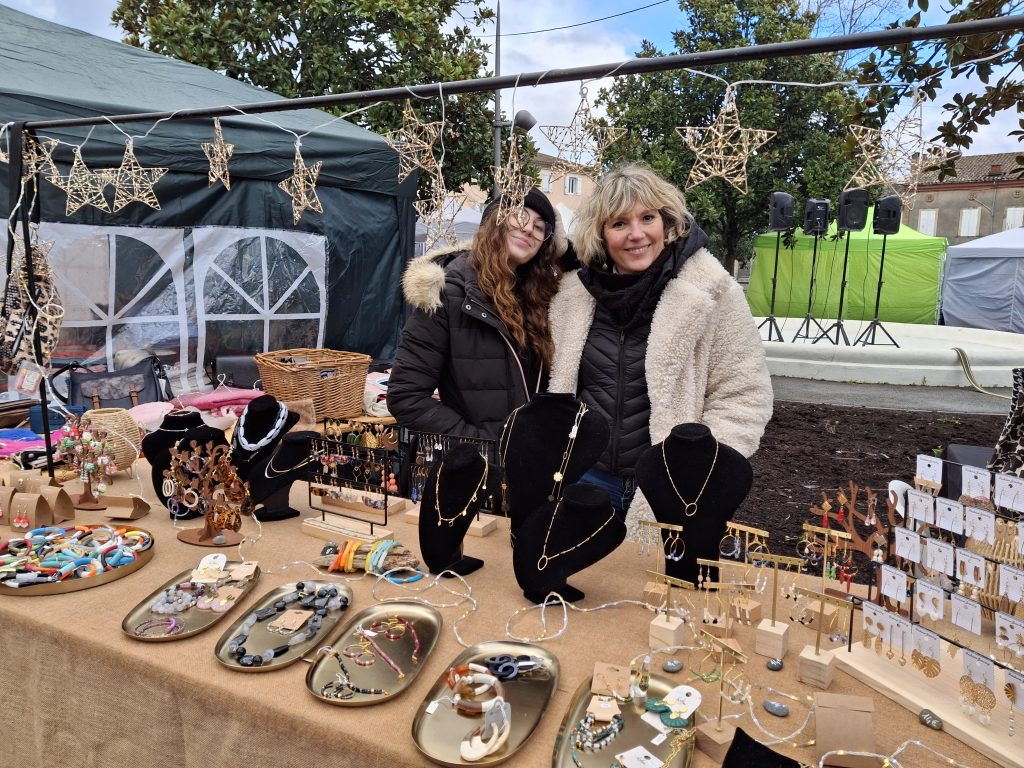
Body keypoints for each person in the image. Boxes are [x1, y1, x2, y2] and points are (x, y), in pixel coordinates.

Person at [547, 163, 773, 522]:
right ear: (601, 234)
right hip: (584, 479)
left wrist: (699, 467)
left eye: (647, 218)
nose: (636, 234)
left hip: (673, 484)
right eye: (619, 223)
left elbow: (744, 395)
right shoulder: (574, 295)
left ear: (666, 222)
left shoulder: (712, 292)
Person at [387, 187, 565, 442]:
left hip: (535, 461)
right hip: (478, 461)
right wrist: (477, 444)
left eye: (539, 227)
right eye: (520, 216)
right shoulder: (449, 294)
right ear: (494, 220)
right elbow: (406, 396)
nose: (528, 229)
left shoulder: (544, 298)